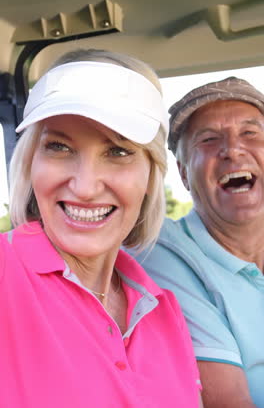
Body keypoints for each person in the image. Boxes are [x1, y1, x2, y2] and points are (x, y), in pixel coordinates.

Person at [1, 48, 202, 407]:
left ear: (151, 172)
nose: (85, 186)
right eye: (59, 146)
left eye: (118, 152)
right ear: (31, 163)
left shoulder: (163, 310)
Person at [139, 76, 264, 408]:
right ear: (183, 175)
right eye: (208, 140)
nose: (233, 150)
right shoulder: (163, 255)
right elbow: (230, 401)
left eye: (250, 133)